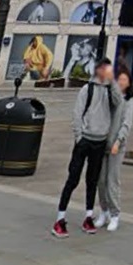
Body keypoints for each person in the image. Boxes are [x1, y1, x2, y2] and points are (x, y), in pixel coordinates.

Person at [52, 58, 122, 238]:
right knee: (73, 179)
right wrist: (79, 137)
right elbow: (77, 113)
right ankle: (60, 219)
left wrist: (112, 80)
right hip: (85, 141)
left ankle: (89, 216)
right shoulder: (87, 89)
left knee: (92, 181)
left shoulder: (109, 90)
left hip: (100, 141)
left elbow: (119, 101)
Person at [96, 66, 133, 233]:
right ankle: (103, 211)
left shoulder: (128, 101)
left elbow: (126, 124)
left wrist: (118, 142)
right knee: (101, 181)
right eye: (119, 79)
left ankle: (114, 214)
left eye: (124, 80)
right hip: (102, 143)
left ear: (129, 84)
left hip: (116, 147)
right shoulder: (111, 98)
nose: (121, 82)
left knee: (113, 180)